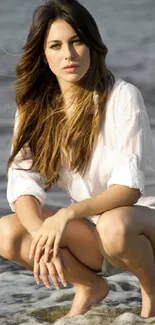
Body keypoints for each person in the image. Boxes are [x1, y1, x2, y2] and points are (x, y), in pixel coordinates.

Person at [0, 0, 155, 319]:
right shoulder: (34, 110)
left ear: (93, 45)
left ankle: (151, 295)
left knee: (114, 224)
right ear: (44, 54)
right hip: (96, 231)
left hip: (142, 225)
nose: (68, 54)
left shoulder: (121, 96)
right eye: (56, 45)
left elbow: (127, 190)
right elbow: (22, 183)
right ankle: (90, 286)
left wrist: (66, 214)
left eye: (77, 41)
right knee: (8, 232)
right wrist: (41, 234)